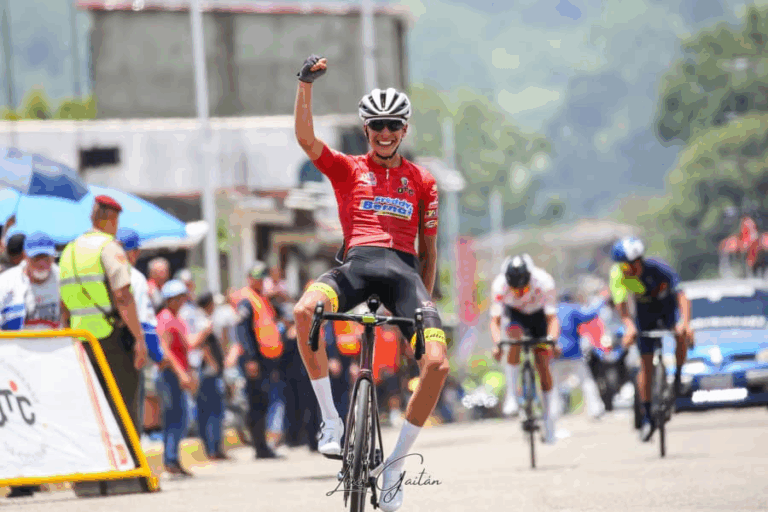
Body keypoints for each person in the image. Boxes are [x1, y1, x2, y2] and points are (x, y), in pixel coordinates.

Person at [292, 54, 448, 511]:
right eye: (377, 125)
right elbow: (305, 138)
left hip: (404, 275)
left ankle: (396, 464)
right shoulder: (347, 169)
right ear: (366, 130)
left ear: (404, 130)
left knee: (437, 364)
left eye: (393, 125)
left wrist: (418, 315)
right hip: (355, 267)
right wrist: (305, 84)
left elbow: (429, 252)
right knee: (304, 312)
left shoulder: (423, 181)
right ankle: (331, 422)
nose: (385, 133)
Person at [609, 237, 693, 442]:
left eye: (630, 265)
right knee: (645, 364)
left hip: (666, 307)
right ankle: (647, 417)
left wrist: (686, 323)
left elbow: (682, 295)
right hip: (644, 313)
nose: (627, 269)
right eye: (623, 266)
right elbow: (622, 305)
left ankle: (678, 377)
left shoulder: (658, 268)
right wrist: (629, 327)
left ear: (640, 260)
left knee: (680, 334)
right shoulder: (618, 275)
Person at [0, 231, 60, 498]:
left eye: (46, 256)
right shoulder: (6, 282)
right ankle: (21, 481)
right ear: (25, 256)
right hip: (15, 365)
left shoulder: (61, 278)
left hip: (52, 362)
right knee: (17, 422)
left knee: (46, 419)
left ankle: (41, 473)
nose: (43, 262)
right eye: (37, 257)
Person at [490, 254, 560, 444]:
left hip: (538, 316)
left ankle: (548, 420)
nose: (520, 293)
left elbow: (552, 319)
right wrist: (497, 344)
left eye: (524, 288)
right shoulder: (499, 285)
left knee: (543, 363)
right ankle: (512, 396)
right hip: (515, 316)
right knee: (513, 339)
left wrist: (553, 341)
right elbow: (495, 322)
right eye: (515, 289)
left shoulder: (545, 282)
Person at [230, 261, 284, 460]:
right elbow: (243, 331)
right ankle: (259, 447)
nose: (260, 281)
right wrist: (251, 359)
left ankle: (263, 446)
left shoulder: (263, 299)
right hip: (254, 360)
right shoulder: (247, 300)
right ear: (249, 278)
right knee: (256, 403)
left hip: (266, 359)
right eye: (256, 277)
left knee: (263, 402)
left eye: (262, 277)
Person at [116, 228, 166, 436]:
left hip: (102, 349)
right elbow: (146, 324)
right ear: (134, 252)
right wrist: (157, 355)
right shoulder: (135, 277)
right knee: (132, 411)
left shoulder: (104, 273)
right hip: (130, 352)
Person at [155, 280, 204, 476]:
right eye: (179, 297)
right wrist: (182, 373)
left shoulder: (176, 319)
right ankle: (170, 461)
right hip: (170, 375)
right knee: (176, 418)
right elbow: (165, 350)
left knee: (179, 417)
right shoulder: (166, 319)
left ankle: (173, 459)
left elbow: (185, 347)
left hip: (177, 374)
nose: (183, 300)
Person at [550, 292, 606, 422]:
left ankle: (553, 413)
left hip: (555, 354)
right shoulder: (573, 309)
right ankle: (595, 409)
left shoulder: (553, 311)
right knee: (587, 382)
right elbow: (589, 315)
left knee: (553, 387)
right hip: (573, 352)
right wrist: (601, 301)